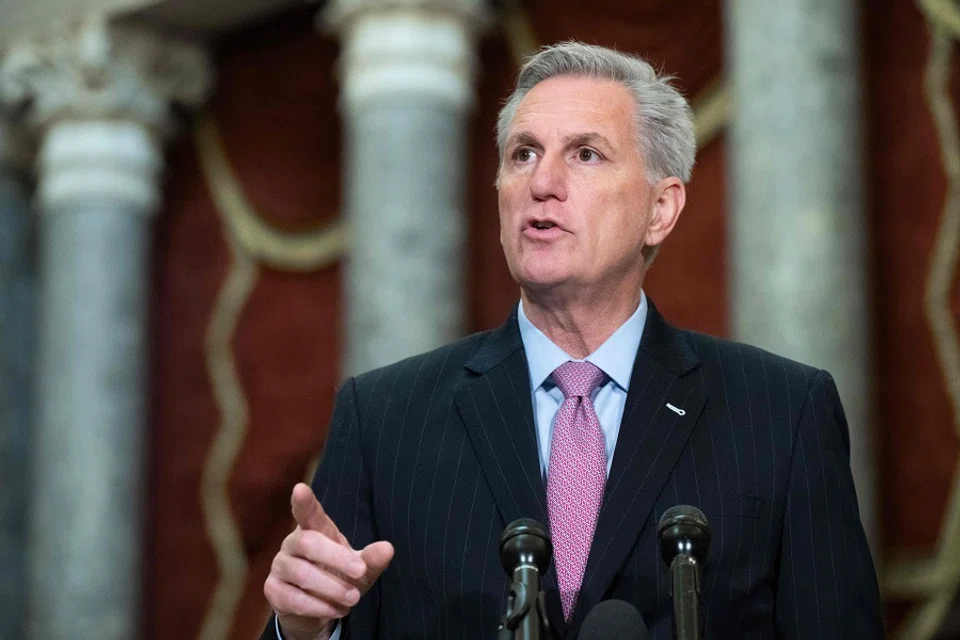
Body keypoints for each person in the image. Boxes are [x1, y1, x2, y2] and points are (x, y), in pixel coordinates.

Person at [261, 41, 883, 639]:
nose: (542, 183)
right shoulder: (384, 420)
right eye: (523, 154)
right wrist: (307, 630)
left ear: (660, 209)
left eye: (585, 154)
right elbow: (322, 608)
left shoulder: (781, 414)